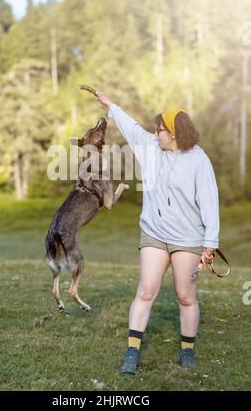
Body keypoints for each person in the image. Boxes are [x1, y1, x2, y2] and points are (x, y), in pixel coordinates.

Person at [87, 89, 219, 372]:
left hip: (188, 238)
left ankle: (187, 351)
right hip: (155, 233)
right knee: (146, 290)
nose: (155, 133)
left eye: (160, 130)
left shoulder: (199, 160)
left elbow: (210, 202)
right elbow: (130, 126)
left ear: (175, 133)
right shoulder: (150, 148)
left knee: (185, 296)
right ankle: (132, 353)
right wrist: (110, 104)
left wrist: (210, 243)